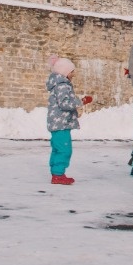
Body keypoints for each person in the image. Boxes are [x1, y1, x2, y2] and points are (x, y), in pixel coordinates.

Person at [46, 55, 92, 185]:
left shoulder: (59, 84)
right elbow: (64, 103)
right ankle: (58, 174)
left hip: (58, 122)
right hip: (61, 123)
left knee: (57, 149)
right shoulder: (62, 85)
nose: (73, 74)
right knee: (64, 149)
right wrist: (81, 102)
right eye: (72, 71)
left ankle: (56, 173)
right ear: (65, 72)